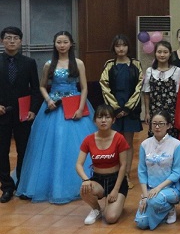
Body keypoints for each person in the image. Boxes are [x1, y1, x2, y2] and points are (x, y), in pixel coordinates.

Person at [17, 31, 97, 204]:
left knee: (76, 146)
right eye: (59, 42)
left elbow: (84, 87)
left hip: (74, 106)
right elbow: (42, 86)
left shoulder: (78, 63)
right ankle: (51, 185)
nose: (62, 45)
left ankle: (83, 183)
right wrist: (48, 100)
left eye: (65, 42)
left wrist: (80, 108)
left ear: (71, 44)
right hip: (53, 108)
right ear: (54, 44)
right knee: (53, 145)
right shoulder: (48, 64)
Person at [0, 26, 41, 203]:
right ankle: (7, 187)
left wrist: (33, 110)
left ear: (20, 41)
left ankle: (22, 185)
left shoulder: (29, 62)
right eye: (8, 38)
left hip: (24, 114)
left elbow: (36, 89)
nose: (12, 41)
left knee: (24, 150)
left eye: (15, 38)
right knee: (2, 151)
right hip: (2, 113)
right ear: (2, 41)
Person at [99, 34, 143, 189]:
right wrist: (115, 108)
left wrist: (128, 108)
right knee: (115, 142)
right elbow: (104, 86)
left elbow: (139, 86)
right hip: (114, 108)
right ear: (114, 48)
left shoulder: (136, 64)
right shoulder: (109, 65)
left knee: (128, 143)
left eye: (124, 45)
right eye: (117, 45)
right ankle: (114, 174)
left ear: (128, 47)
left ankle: (126, 175)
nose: (121, 48)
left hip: (131, 108)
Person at [76, 104, 130, 225]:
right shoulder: (88, 139)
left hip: (116, 180)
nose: (103, 120)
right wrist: (86, 180)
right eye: (100, 117)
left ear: (113, 120)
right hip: (98, 179)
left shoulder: (119, 138)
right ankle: (96, 209)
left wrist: (115, 190)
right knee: (84, 189)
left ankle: (116, 202)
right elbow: (78, 164)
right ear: (95, 121)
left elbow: (123, 165)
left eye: (107, 117)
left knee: (110, 218)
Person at [135, 110, 180, 230]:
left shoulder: (176, 144)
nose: (157, 127)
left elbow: (177, 173)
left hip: (171, 189)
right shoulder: (145, 144)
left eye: (161, 124)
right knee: (141, 222)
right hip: (150, 190)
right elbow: (142, 171)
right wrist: (145, 196)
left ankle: (169, 208)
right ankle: (161, 211)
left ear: (168, 125)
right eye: (154, 123)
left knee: (154, 201)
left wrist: (158, 188)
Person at [142, 40, 180, 139]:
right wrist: (147, 113)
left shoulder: (176, 71)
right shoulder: (150, 71)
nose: (162, 55)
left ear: (170, 54)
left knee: (171, 138)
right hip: (154, 111)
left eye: (165, 52)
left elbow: (179, 94)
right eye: (159, 52)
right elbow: (146, 93)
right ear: (155, 53)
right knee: (155, 137)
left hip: (171, 111)